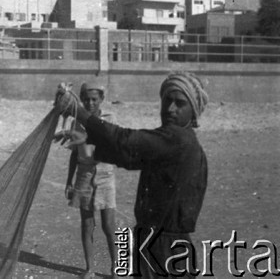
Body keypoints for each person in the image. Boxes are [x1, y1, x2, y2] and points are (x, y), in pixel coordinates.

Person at [55, 72, 209, 278]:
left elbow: (125, 141)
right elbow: (128, 156)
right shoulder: (177, 141)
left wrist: (79, 112)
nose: (171, 109)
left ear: (194, 111)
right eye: (167, 101)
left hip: (163, 249)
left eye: (180, 103)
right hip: (161, 246)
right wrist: (87, 140)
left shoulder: (177, 139)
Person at [54, 81, 118, 279]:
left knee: (109, 226)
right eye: (86, 99)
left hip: (106, 175)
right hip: (84, 175)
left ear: (101, 100)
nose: (90, 103)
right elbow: (74, 153)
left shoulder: (110, 118)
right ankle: (89, 268)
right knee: (87, 224)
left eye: (94, 99)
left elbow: (112, 143)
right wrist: (69, 181)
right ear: (81, 100)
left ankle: (116, 268)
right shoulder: (76, 122)